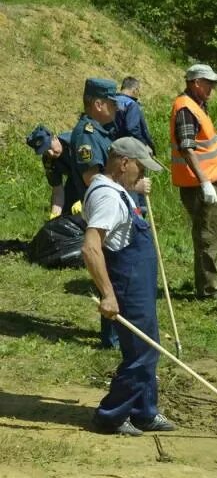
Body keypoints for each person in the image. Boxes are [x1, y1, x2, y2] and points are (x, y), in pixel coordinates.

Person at [81, 137, 177, 436]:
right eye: (139, 167)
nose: (142, 174)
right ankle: (110, 415)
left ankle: (144, 412)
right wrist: (108, 295)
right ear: (124, 163)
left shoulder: (115, 189)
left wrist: (133, 189)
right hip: (126, 284)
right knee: (142, 353)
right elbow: (91, 247)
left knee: (149, 346)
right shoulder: (108, 197)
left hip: (139, 282)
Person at [170, 63, 217, 300]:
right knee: (207, 236)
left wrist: (215, 179)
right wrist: (205, 182)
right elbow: (187, 148)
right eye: (209, 84)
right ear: (196, 83)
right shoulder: (186, 109)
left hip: (205, 182)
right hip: (198, 186)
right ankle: (208, 289)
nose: (212, 88)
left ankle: (211, 283)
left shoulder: (197, 105)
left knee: (211, 233)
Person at [70, 77, 120, 348]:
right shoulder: (87, 134)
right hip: (102, 210)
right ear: (98, 104)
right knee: (109, 267)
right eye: (111, 103)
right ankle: (112, 337)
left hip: (110, 208)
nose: (115, 108)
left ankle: (114, 332)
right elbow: (92, 178)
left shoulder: (100, 130)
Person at [25, 124, 83, 219]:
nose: (50, 153)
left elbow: (97, 172)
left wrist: (85, 201)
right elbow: (58, 191)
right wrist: (55, 216)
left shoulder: (77, 142)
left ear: (55, 138)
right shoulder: (48, 161)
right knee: (66, 213)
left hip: (103, 174)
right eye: (45, 151)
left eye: (49, 147)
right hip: (77, 178)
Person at [113, 76, 155, 151]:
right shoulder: (131, 104)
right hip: (126, 149)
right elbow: (133, 129)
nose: (138, 94)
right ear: (135, 90)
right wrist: (144, 145)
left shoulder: (111, 100)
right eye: (138, 91)